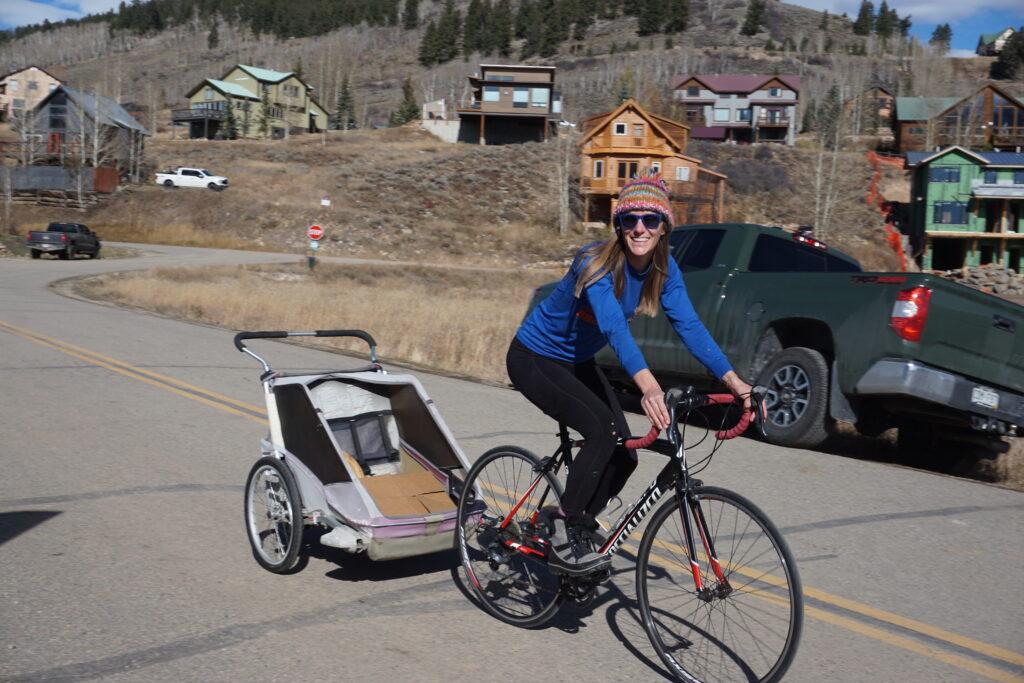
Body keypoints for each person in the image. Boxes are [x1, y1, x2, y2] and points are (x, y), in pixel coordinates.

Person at [506, 171, 754, 574]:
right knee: (602, 432)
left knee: (625, 454)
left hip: (576, 362)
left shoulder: (665, 270)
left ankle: (577, 526)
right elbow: (613, 328)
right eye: (629, 219)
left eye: (649, 220)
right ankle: (563, 526)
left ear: (663, 227)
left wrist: (735, 382)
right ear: (618, 226)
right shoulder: (594, 262)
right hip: (534, 358)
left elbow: (690, 327)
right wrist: (649, 387)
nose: (639, 228)